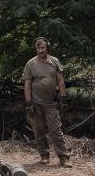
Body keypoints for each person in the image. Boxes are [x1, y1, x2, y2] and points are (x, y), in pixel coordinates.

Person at [22, 37, 71, 166]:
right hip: (36, 102)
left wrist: (63, 97)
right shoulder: (31, 64)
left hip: (50, 102)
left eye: (43, 47)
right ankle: (44, 154)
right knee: (39, 130)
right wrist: (28, 103)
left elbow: (60, 80)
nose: (40, 50)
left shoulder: (54, 61)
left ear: (47, 47)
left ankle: (63, 157)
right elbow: (27, 84)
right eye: (38, 48)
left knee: (55, 129)